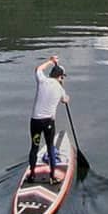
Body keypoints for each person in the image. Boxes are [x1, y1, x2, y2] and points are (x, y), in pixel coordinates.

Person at [29, 55, 69, 184]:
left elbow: (38, 69)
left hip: (35, 122)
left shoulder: (42, 80)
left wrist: (51, 61)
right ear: (60, 77)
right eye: (62, 77)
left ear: (51, 74)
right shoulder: (60, 89)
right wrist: (62, 89)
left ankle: (32, 175)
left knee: (34, 147)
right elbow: (65, 100)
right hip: (48, 123)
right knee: (50, 147)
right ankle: (52, 177)